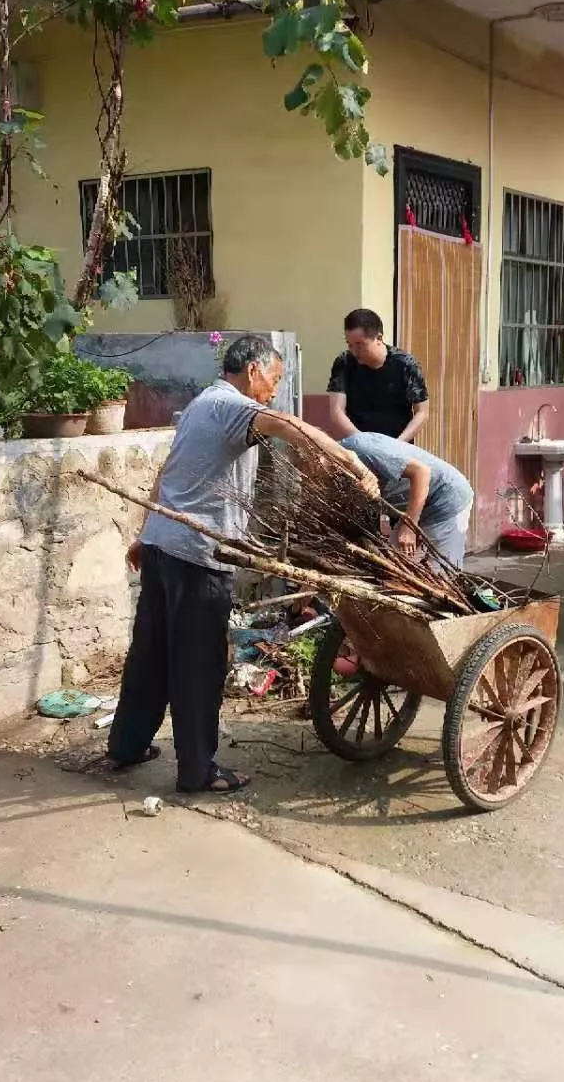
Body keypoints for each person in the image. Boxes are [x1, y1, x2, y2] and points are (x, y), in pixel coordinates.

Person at [106, 334, 379, 791]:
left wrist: (144, 534)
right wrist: (352, 460)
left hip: (160, 547)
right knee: (199, 666)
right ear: (252, 372)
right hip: (196, 557)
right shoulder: (234, 408)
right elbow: (291, 425)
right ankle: (197, 772)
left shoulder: (200, 404)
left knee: (149, 656)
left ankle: (127, 746)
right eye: (273, 379)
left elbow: (166, 473)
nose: (273, 390)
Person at [343, 431, 474, 567]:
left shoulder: (362, 449)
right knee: (394, 563)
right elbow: (380, 501)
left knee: (442, 570)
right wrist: (387, 530)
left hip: (446, 498)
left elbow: (422, 472)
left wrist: (409, 527)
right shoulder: (338, 477)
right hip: (413, 506)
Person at [327, 308, 429, 442]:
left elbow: (422, 412)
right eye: (350, 345)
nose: (354, 351)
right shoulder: (344, 362)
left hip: (399, 445)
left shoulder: (405, 363)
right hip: (359, 443)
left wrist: (399, 443)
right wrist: (362, 440)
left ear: (379, 338)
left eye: (360, 345)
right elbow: (336, 410)